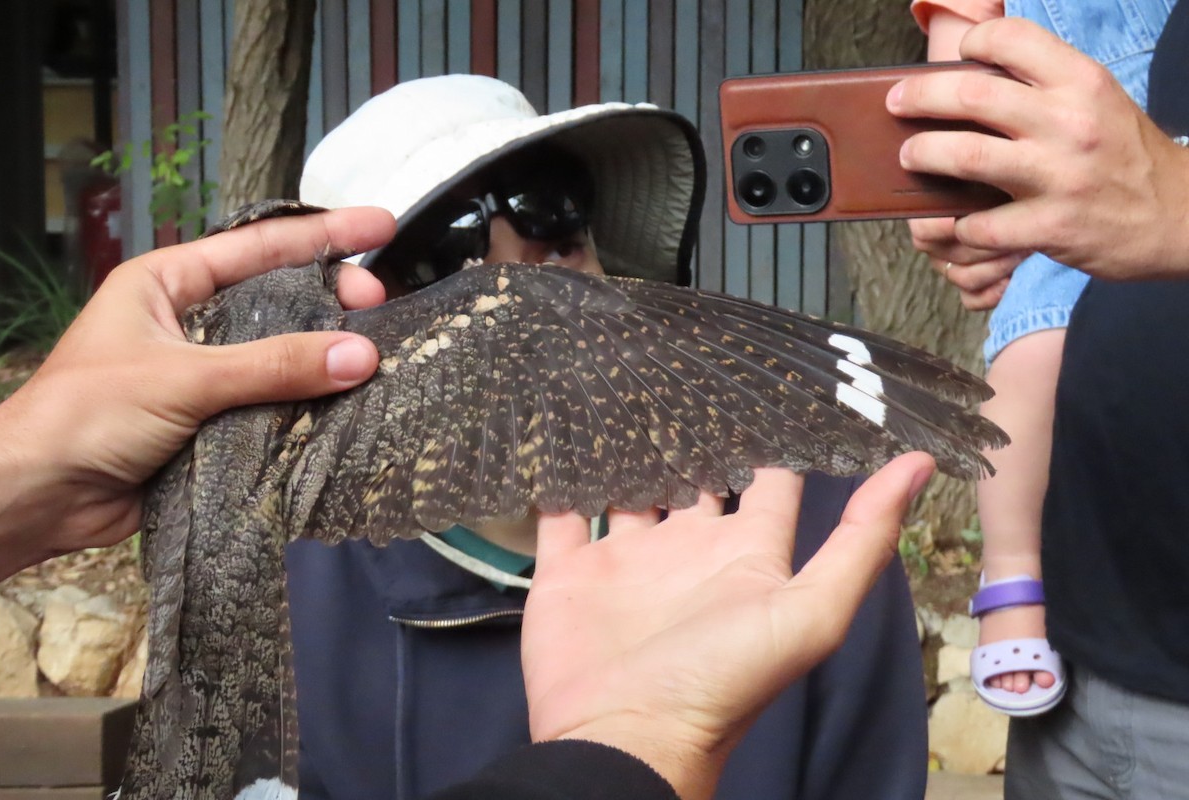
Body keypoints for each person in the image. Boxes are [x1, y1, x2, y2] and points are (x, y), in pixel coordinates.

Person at [0, 205, 937, 800]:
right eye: (445, 259)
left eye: (554, 216)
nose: (523, 280)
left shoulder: (784, 547)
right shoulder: (286, 594)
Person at [287, 74, 929, 800]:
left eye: (556, 247)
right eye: (446, 273)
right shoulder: (300, 592)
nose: (525, 316)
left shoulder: (802, 537)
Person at [889, 11, 1189, 797]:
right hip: (1090, 661)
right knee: (1029, 345)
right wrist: (958, 172)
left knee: (1035, 340)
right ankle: (1015, 569)